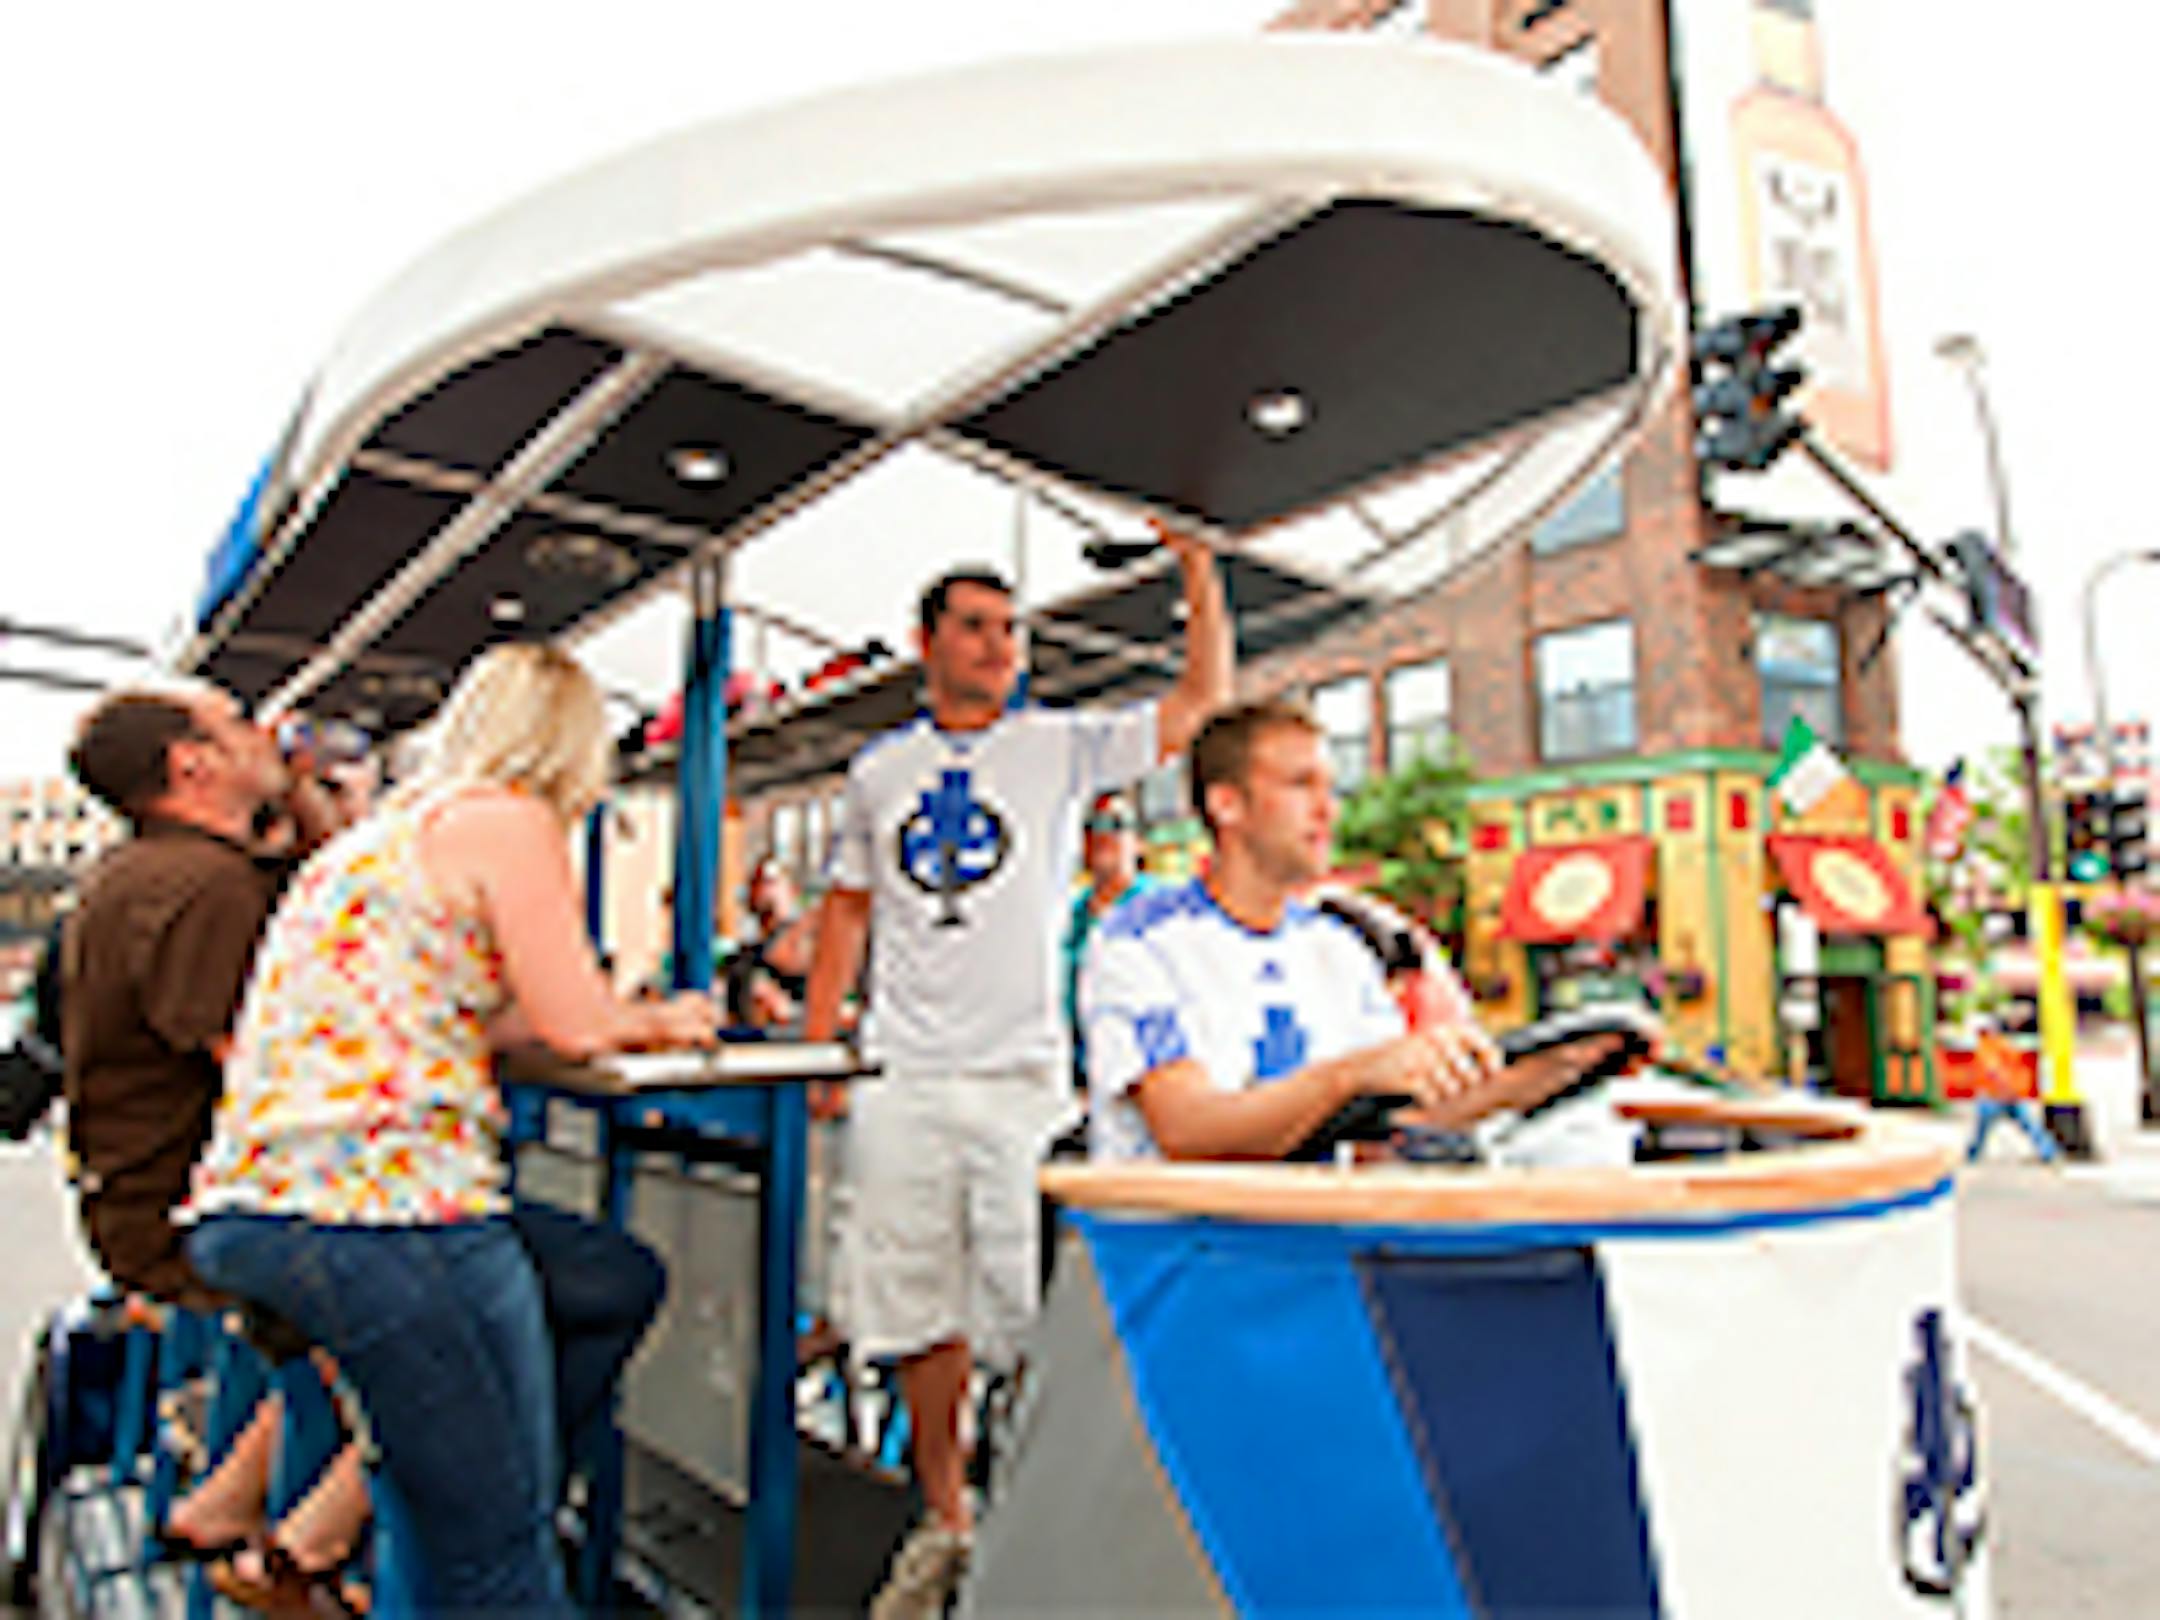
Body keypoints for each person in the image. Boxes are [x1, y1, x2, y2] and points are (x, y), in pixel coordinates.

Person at [180, 644, 719, 1616]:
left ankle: (437, 1473)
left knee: (608, 1281)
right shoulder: (510, 822)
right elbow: (577, 1024)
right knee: (497, 1563)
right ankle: (477, 1486)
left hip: (262, 1206)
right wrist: (662, 1019)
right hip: (382, 1214)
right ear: (571, 744)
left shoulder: (389, 835)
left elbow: (484, 1017)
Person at [804, 528, 1232, 1619]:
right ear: (927, 643)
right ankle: (945, 1522)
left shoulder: (1062, 746)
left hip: (1022, 1073)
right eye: (977, 629)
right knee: (911, 1306)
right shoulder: (878, 770)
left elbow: (1198, 704)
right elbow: (849, 905)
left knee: (1030, 1308)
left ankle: (1032, 1524)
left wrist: (1196, 565)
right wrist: (823, 1042)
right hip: (902, 1067)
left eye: (1011, 631)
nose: (1000, 648)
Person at [1082, 701, 1627, 1163]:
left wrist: (1553, 1071)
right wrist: (1352, 1075)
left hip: (1321, 1246)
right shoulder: (1137, 941)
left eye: (1331, 787)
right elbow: (1188, 1130)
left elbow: (1403, 1115)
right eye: (1301, 785)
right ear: (1227, 804)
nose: (1328, 810)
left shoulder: (1337, 948)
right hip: (1187, 1261)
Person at [1058, 792, 1157, 1095]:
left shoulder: (1161, 910)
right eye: (1090, 826)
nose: (1101, 836)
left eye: (1115, 824)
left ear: (1140, 842)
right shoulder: (1067, 917)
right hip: (1078, 1090)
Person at [727, 855, 814, 1029]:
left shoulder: (806, 941)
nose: (762, 889)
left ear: (792, 890)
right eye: (756, 882)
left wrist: (790, 1010)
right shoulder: (744, 957)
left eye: (770, 881)